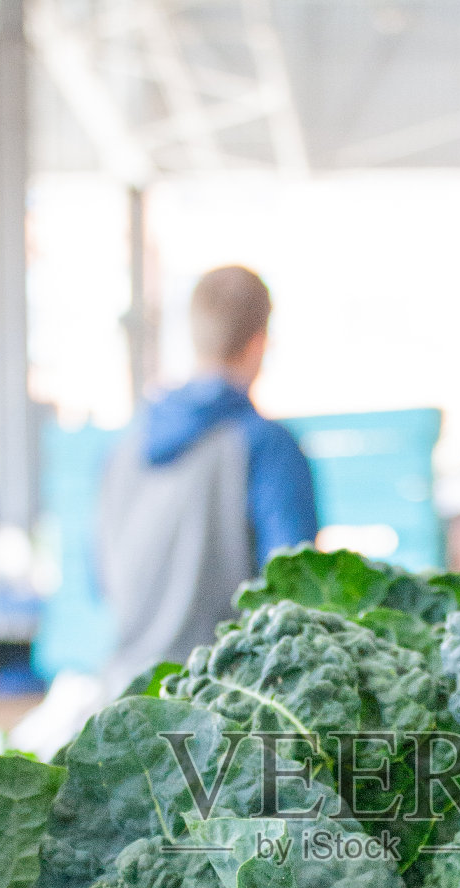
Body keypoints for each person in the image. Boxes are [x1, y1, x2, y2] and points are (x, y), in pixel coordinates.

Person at [97, 264, 318, 695]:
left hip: (126, 711)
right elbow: (297, 597)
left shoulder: (123, 450)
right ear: (259, 344)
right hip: (224, 715)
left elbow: (100, 580)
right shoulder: (267, 448)